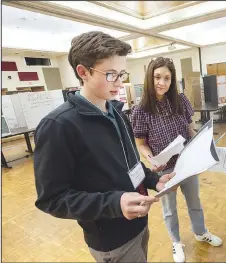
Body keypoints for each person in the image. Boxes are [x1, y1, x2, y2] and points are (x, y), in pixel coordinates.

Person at [33, 31, 175, 263]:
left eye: (122, 74)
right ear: (83, 72)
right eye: (111, 74)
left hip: (138, 222)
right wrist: (115, 204)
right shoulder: (58, 126)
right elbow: (52, 199)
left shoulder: (116, 112)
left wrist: (152, 180)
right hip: (111, 239)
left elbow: (130, 164)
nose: (120, 82)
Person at [131, 57, 223, 263]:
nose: (161, 82)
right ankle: (176, 242)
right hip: (164, 170)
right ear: (149, 78)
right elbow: (141, 143)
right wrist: (151, 158)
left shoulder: (180, 100)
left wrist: (200, 147)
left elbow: (189, 129)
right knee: (169, 210)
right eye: (157, 77)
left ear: (172, 81)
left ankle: (200, 232)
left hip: (187, 164)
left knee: (195, 202)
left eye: (167, 78)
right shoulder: (141, 111)